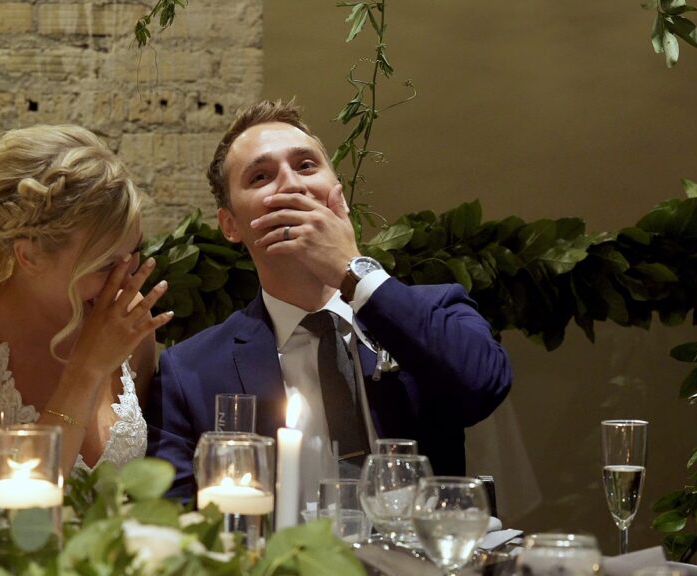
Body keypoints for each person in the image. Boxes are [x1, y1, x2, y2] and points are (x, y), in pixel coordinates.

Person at [145, 101, 512, 502]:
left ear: (338, 195)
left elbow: (483, 387)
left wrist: (352, 271)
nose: (291, 185)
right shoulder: (190, 371)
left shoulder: (435, 308)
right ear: (230, 225)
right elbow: (176, 519)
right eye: (261, 176)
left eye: (305, 166)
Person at [0, 125, 172, 483]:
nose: (126, 276)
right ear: (29, 256)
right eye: (105, 264)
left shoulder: (126, 320)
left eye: (134, 252)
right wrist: (86, 371)